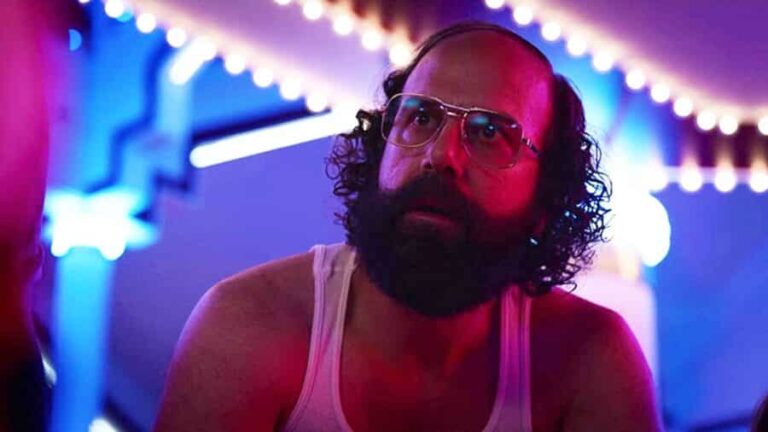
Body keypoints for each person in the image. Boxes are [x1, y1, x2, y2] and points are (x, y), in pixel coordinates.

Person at [155, 22, 661, 431]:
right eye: (420, 117)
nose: (441, 155)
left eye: (490, 133)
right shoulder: (248, 326)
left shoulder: (590, 360)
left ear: (545, 198)